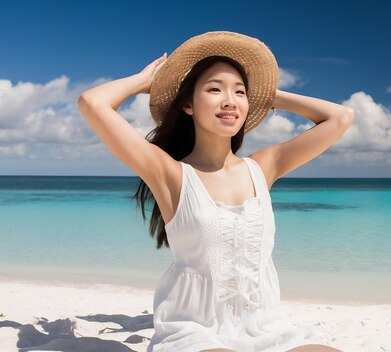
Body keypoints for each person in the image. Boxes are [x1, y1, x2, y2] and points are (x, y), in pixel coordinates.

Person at [77, 31, 353, 352]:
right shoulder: (170, 174)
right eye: (213, 89)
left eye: (239, 92)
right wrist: (142, 81)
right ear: (188, 106)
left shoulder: (263, 167)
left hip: (267, 330)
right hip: (195, 333)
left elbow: (340, 117)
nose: (229, 100)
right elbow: (92, 102)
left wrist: (268, 94)